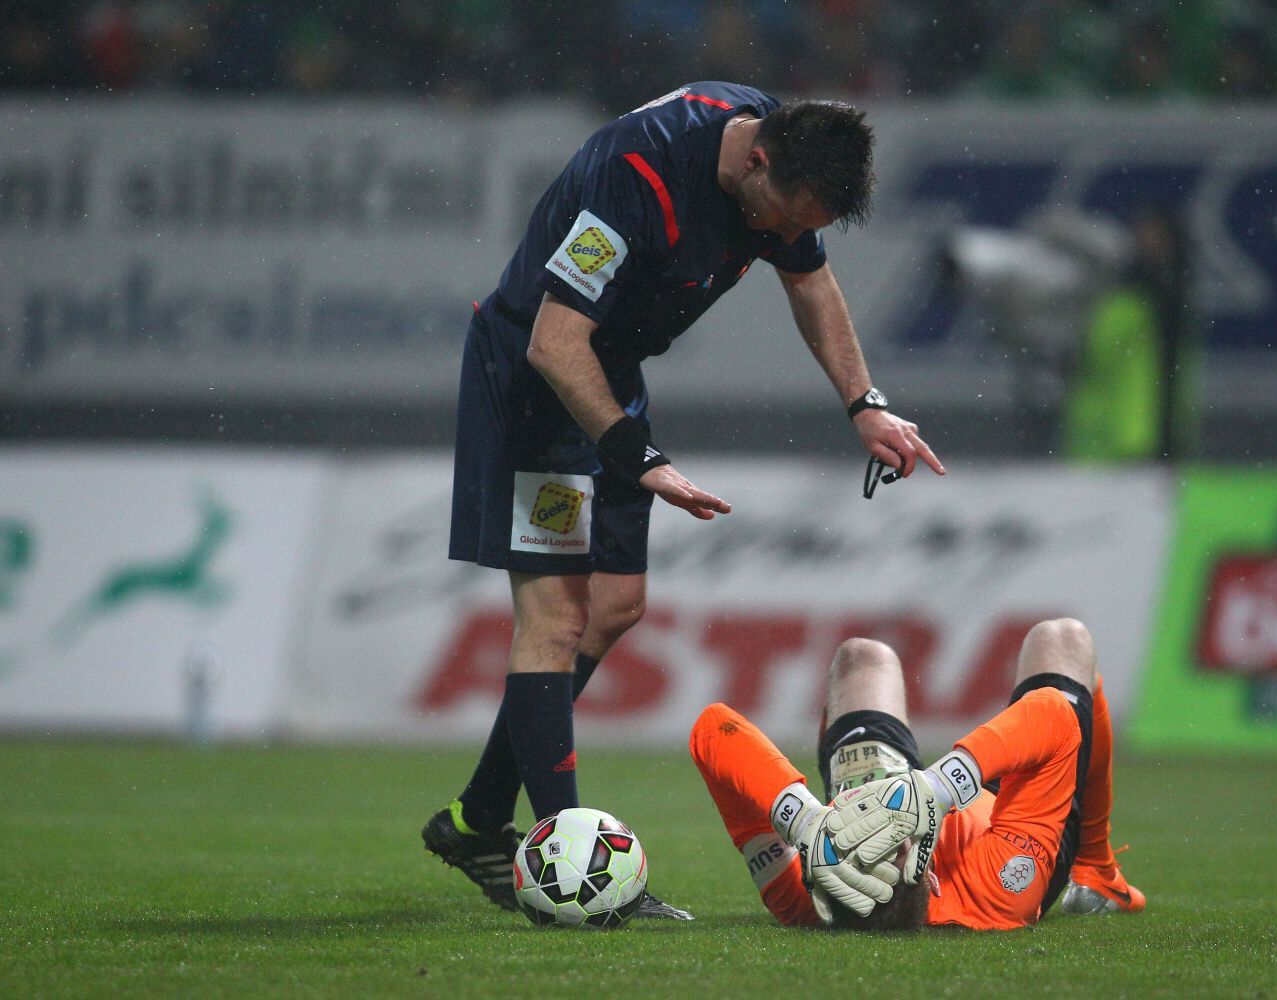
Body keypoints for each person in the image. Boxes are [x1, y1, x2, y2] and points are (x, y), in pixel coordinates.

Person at [422, 82, 944, 921]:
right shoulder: (636, 177)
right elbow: (554, 342)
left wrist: (865, 404)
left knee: (615, 608)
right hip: (533, 389)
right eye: (784, 220)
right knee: (555, 617)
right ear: (757, 161)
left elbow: (811, 284)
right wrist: (640, 458)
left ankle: (478, 819)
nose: (783, 238)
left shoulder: (780, 148)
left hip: (609, 378)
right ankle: (572, 872)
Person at [689, 618, 1145, 929]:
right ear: (927, 875)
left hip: (898, 789)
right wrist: (938, 786)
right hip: (1006, 826)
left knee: (861, 657)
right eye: (885, 834)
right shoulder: (998, 888)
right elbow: (1052, 714)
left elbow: (712, 729)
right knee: (1062, 639)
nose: (866, 812)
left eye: (844, 833)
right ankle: (1096, 870)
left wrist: (805, 819)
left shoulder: (801, 897)